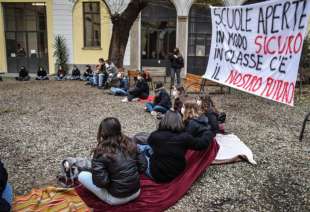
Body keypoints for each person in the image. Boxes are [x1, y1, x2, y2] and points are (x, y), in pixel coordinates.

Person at [78, 117, 146, 205]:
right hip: (136, 192)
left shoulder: (100, 151)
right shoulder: (131, 142)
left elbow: (101, 183)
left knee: (81, 175)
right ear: (119, 128)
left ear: (102, 132)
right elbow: (143, 166)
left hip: (116, 198)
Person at [139, 110, 215, 183]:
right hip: (177, 171)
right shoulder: (185, 137)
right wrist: (208, 132)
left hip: (157, 174)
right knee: (147, 148)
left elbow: (150, 143)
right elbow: (202, 144)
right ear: (179, 122)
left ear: (164, 120)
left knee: (138, 148)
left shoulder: (155, 136)